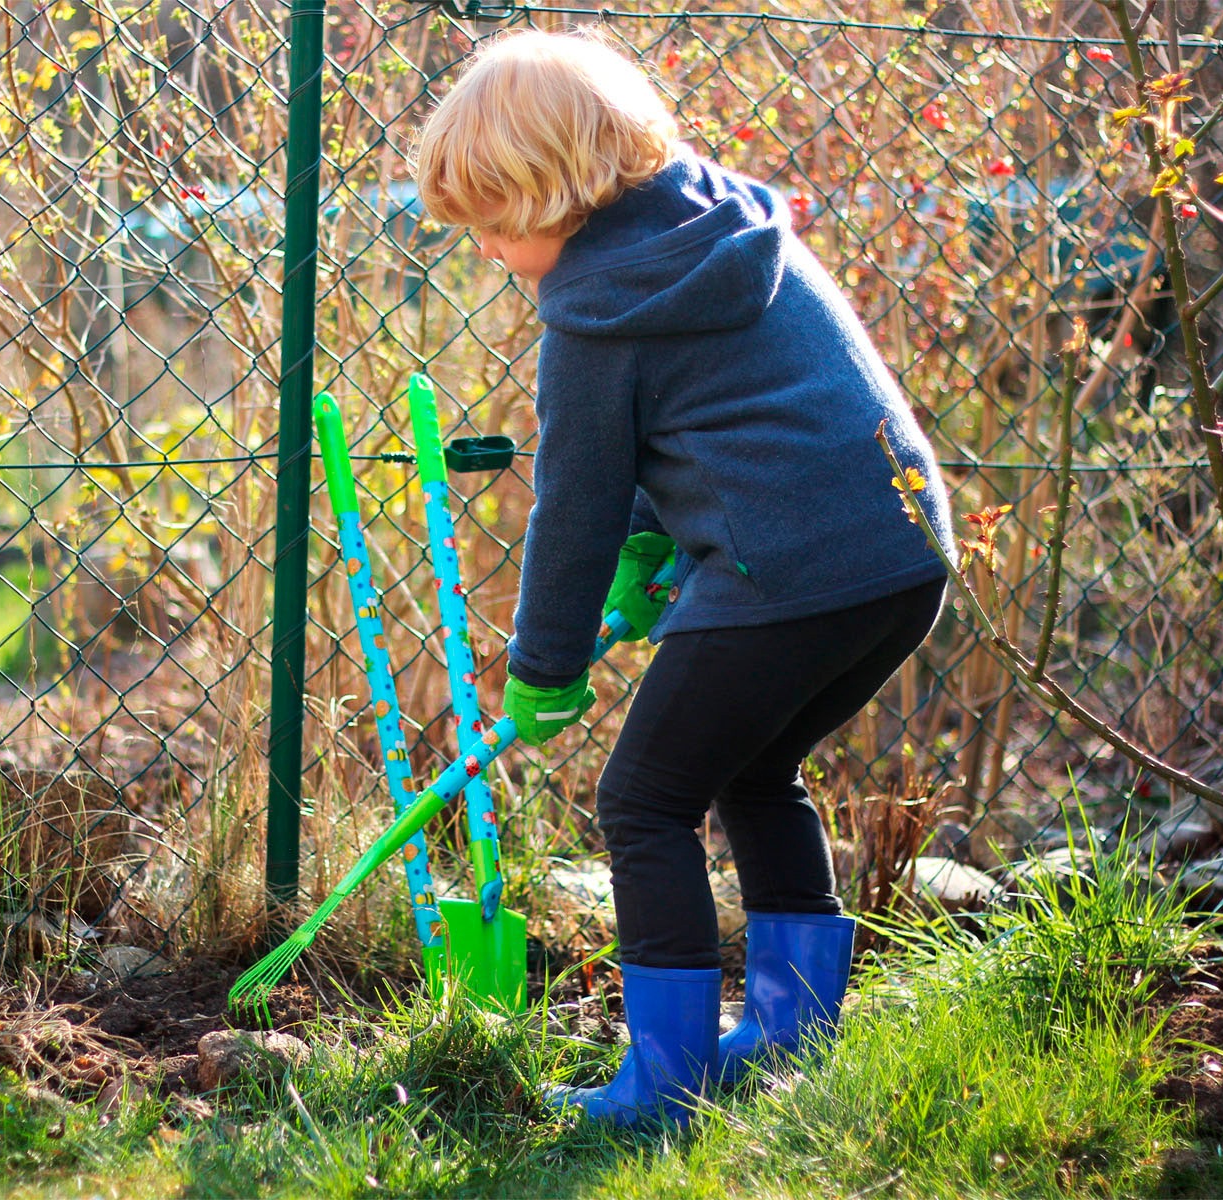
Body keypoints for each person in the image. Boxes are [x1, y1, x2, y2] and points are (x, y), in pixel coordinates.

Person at [415, 28, 955, 1127]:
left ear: (540, 195)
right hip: (899, 550)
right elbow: (734, 408)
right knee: (755, 772)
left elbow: (572, 507)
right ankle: (790, 1040)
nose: (483, 251)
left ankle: (665, 1083)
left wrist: (543, 665)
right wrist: (661, 538)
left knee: (644, 799)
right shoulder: (724, 223)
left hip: (786, 569)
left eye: (486, 225)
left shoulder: (592, 315)